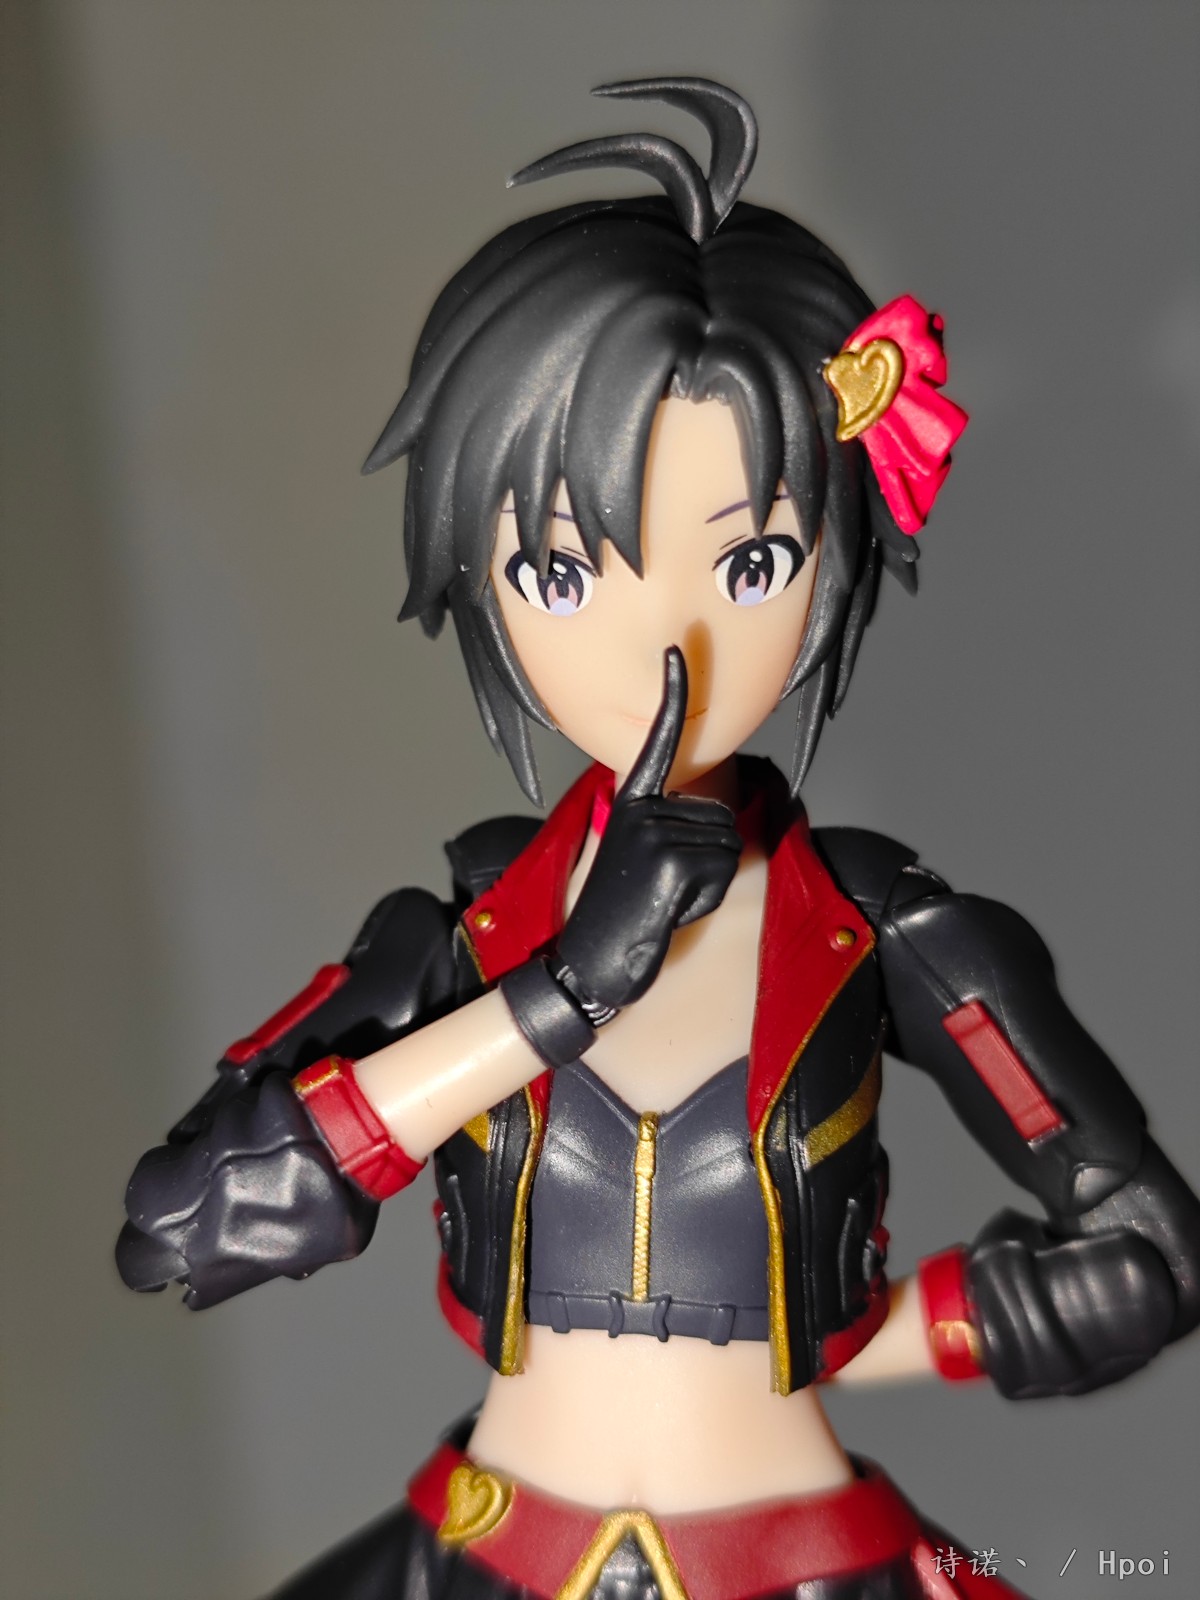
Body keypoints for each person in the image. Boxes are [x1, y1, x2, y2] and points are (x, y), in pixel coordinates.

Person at [116, 78, 1200, 1600]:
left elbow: (1147, 1257)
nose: (662, 645)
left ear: (833, 552)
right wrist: (553, 999)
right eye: (564, 573)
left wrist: (835, 1331)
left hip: (799, 1561)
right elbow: (182, 1226)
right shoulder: (461, 934)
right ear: (480, 571)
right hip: (482, 1556)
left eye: (750, 562)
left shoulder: (887, 936)